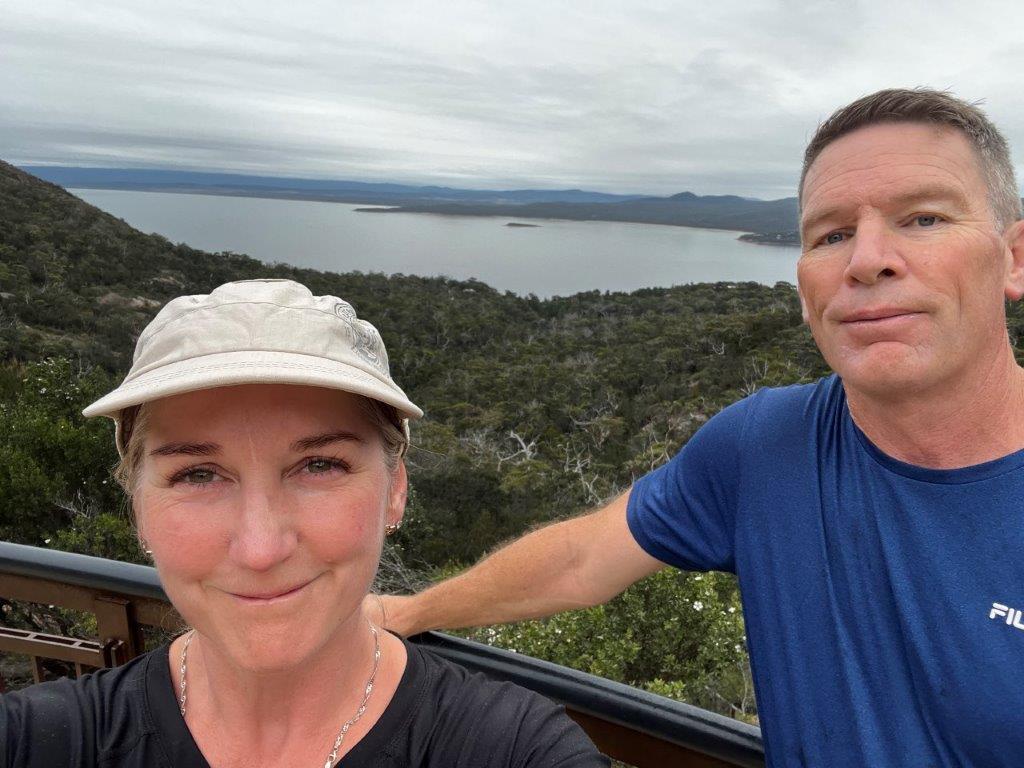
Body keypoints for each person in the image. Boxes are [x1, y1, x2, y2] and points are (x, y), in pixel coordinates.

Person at [375, 88, 1024, 766]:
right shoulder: (765, 445)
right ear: (806, 291)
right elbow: (581, 559)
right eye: (831, 235)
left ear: (1012, 258)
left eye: (922, 219)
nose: (866, 260)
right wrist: (411, 612)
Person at [0, 279, 607, 768]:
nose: (261, 548)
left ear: (395, 489)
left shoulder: (512, 748)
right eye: (198, 475)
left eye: (319, 465)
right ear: (138, 508)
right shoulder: (38, 740)